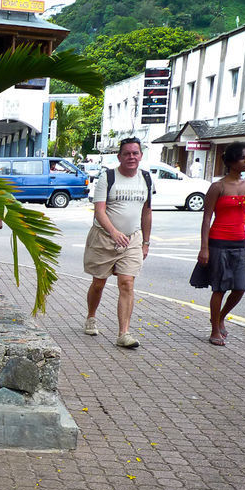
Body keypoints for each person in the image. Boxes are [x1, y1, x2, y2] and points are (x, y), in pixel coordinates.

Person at [190, 142, 245, 346]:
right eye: (244, 158)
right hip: (218, 243)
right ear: (232, 161)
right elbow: (206, 218)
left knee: (241, 287)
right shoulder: (218, 187)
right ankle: (215, 328)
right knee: (219, 288)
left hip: (239, 243)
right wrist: (204, 247)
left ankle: (221, 317)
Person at [82, 137, 152, 348]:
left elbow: (147, 212)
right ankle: (91, 316)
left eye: (135, 153)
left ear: (140, 155)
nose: (131, 157)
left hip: (132, 239)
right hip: (105, 238)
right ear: (119, 156)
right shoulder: (108, 177)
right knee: (99, 283)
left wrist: (146, 242)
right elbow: (99, 210)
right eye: (127, 153)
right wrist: (113, 232)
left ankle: (124, 333)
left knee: (127, 283)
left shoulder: (146, 178)